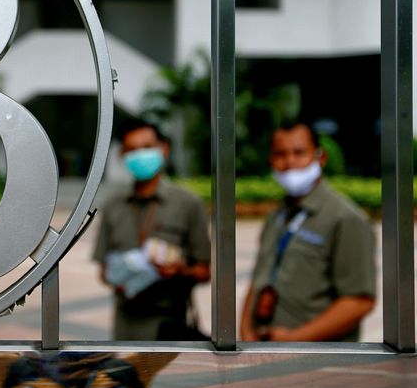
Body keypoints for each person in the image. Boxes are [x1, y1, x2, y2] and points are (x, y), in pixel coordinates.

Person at [240, 122, 376, 342]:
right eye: (280, 154)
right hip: (265, 353)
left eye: (299, 153)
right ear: (271, 160)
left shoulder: (346, 219)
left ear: (320, 158)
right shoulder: (277, 216)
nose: (290, 162)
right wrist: (246, 333)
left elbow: (359, 301)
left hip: (318, 361)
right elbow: (259, 279)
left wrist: (296, 339)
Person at [93, 119, 211, 340]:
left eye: (147, 147)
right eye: (132, 150)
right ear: (122, 156)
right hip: (125, 327)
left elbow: (205, 271)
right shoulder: (113, 205)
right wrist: (118, 277)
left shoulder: (187, 203)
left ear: (163, 149)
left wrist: (180, 270)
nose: (140, 155)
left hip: (170, 324)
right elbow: (103, 271)